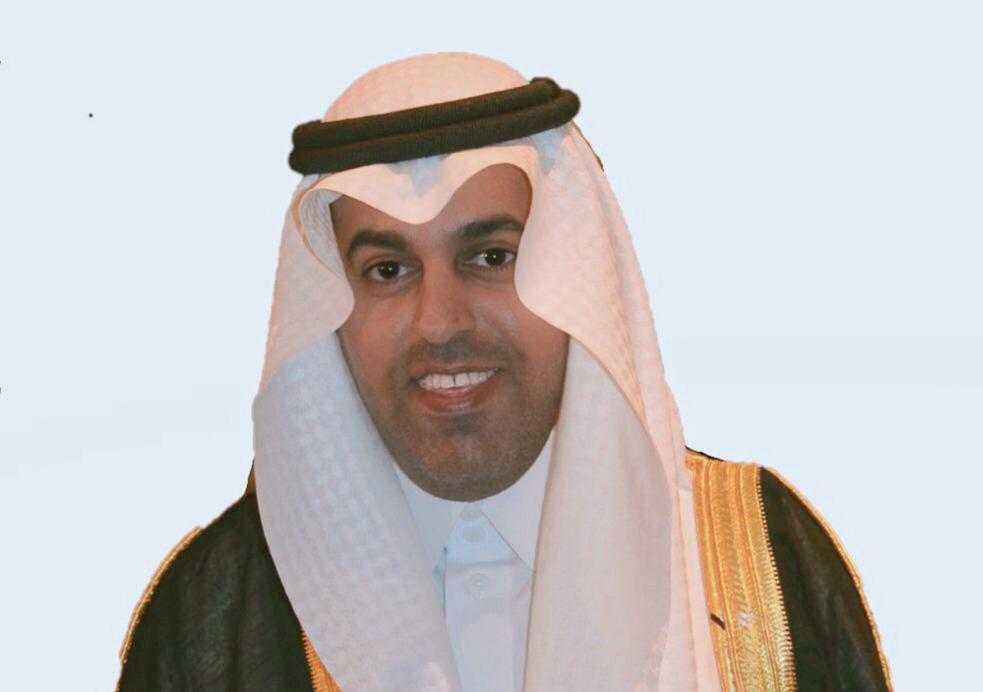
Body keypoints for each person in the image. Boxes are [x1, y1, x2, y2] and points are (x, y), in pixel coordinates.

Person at [115, 53, 892, 692]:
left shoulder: (759, 553)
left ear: (574, 275)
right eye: (386, 270)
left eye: (492, 257)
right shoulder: (217, 606)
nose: (441, 321)